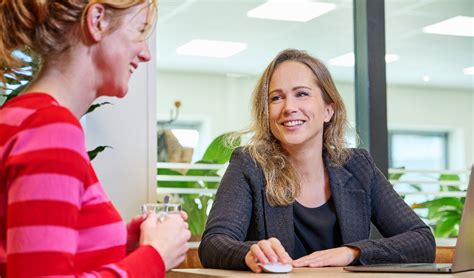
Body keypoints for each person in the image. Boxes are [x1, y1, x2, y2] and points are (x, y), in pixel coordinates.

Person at [198, 49, 436, 272]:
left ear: (328, 110)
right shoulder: (249, 164)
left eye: (302, 94)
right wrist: (249, 253)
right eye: (276, 98)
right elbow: (213, 244)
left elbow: (422, 241)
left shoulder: (358, 166)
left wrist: (352, 252)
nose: (289, 107)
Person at [0, 0, 191, 277]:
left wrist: (124, 242)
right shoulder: (51, 129)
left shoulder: (18, 117)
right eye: (140, 31)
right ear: (97, 20)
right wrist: (154, 257)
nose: (146, 53)